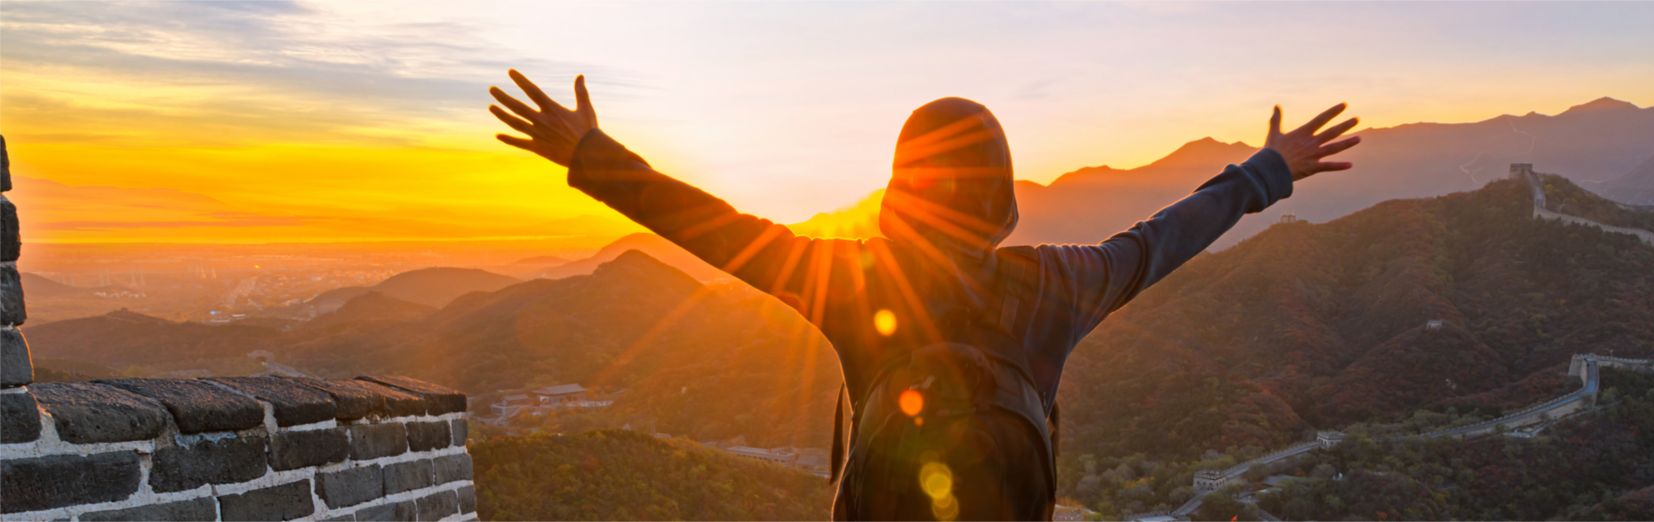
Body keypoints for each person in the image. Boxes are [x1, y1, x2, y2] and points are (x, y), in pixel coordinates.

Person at [489, 69, 1360, 520]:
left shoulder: (853, 281)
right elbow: (1164, 238)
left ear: (898, 192)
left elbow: (716, 228)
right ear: (1005, 200)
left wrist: (591, 156)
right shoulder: (1060, 284)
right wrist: (1267, 172)